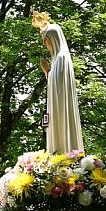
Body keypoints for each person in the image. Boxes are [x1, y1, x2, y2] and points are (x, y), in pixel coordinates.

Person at [35, 12, 84, 155]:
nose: (46, 45)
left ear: (52, 39)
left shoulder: (61, 58)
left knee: (62, 130)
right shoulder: (58, 58)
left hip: (61, 107)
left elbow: (58, 85)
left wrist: (47, 72)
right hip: (57, 107)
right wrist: (49, 73)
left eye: (46, 41)